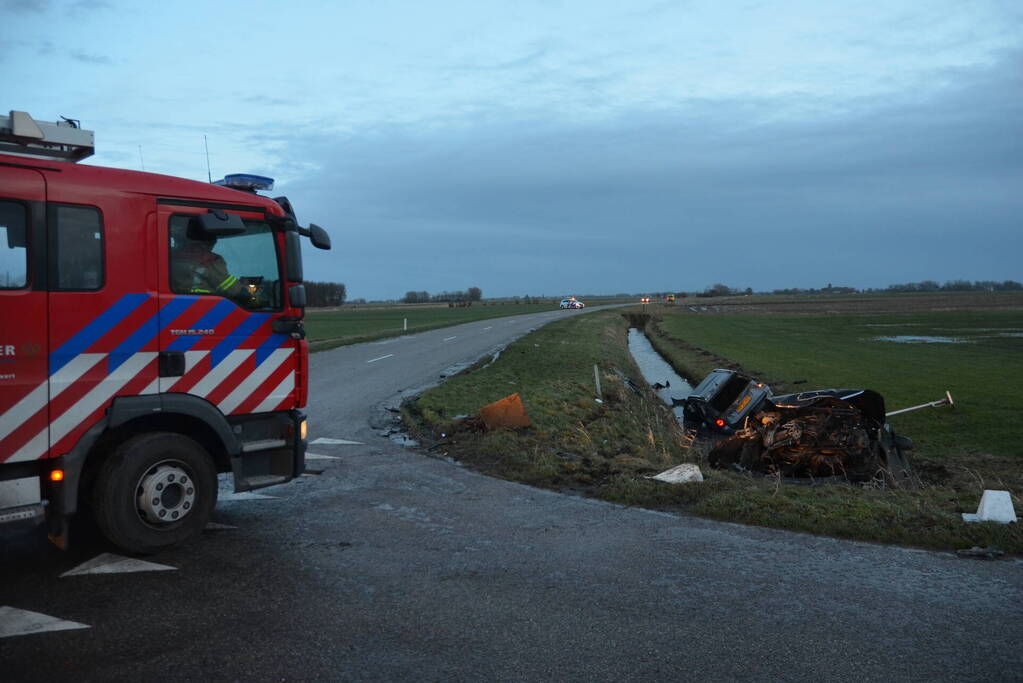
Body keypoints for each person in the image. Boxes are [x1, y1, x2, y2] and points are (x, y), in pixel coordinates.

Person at [170, 229, 247, 302]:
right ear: (207, 242)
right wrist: (243, 293)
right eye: (213, 242)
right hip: (205, 304)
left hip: (179, 303)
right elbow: (224, 282)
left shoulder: (171, 256)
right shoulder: (209, 259)